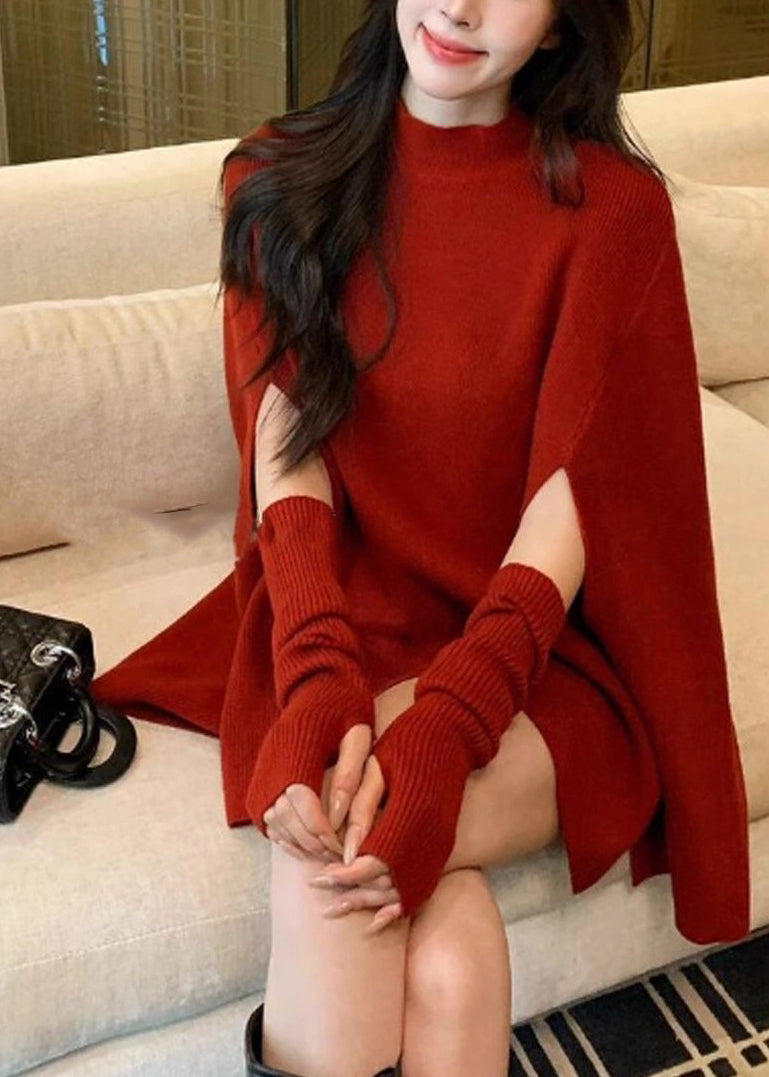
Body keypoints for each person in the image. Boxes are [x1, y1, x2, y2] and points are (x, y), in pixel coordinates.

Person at [92, 2, 751, 1076]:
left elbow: (572, 500)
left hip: (537, 653)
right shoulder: (273, 179)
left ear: (560, 26)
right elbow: (285, 443)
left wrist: (449, 722)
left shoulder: (611, 212)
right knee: (442, 953)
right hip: (336, 611)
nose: (458, 6)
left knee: (340, 858)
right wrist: (316, 676)